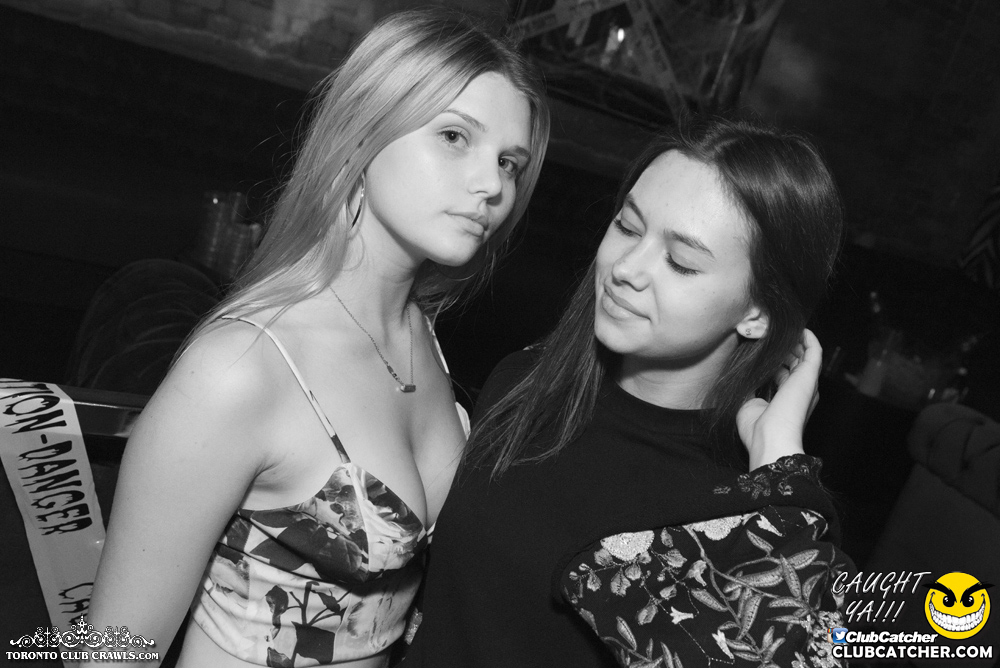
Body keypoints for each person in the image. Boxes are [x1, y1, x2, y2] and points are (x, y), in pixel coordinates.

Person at [84, 9, 548, 668]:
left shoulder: (419, 335)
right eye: (453, 136)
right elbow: (109, 650)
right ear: (365, 131)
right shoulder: (242, 368)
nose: (492, 184)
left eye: (509, 162)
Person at [402, 117, 853, 668]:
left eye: (681, 263)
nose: (626, 269)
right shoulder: (526, 381)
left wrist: (782, 465)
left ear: (758, 312)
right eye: (627, 226)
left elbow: (806, 652)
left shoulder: (733, 502)